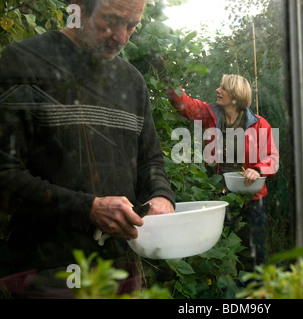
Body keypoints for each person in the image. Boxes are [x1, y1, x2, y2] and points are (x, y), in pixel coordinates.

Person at [0, 0, 175, 298]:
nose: (121, 37)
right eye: (111, 20)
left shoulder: (131, 81)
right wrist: (88, 209)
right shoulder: (22, 62)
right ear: (78, 8)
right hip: (46, 272)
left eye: (131, 26)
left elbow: (151, 162)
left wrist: (161, 196)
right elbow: (4, 173)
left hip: (121, 269)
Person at [166, 74, 279, 270]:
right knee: (220, 253)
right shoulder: (209, 114)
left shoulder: (259, 124)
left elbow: (272, 158)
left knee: (253, 255)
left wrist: (257, 170)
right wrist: (168, 80)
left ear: (236, 95)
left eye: (223, 88)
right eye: (218, 86)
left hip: (251, 201)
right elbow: (183, 103)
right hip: (219, 198)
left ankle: (255, 294)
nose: (218, 90)